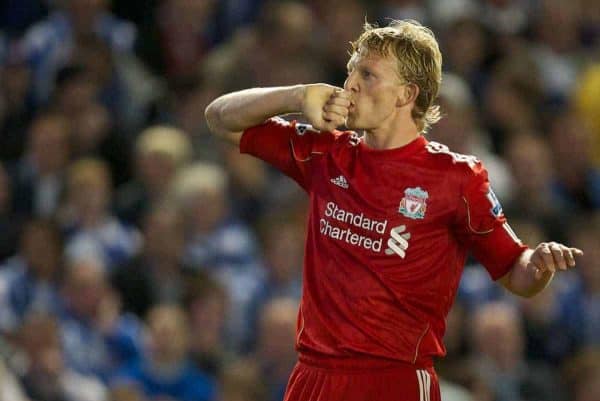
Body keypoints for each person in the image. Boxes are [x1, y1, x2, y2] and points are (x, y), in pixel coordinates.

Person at [205, 19, 583, 401]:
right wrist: (297, 95)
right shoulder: (326, 151)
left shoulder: (456, 178)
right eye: (351, 69)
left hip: (393, 381)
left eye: (367, 74)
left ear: (406, 94)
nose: (349, 84)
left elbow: (516, 274)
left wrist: (538, 266)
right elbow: (219, 118)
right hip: (313, 377)